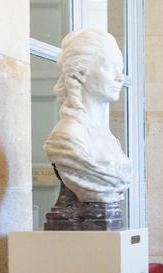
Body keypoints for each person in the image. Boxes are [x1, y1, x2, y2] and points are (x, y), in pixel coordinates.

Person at [44, 28, 131, 204]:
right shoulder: (68, 136)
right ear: (80, 73)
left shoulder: (110, 139)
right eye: (109, 67)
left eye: (120, 69)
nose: (119, 77)